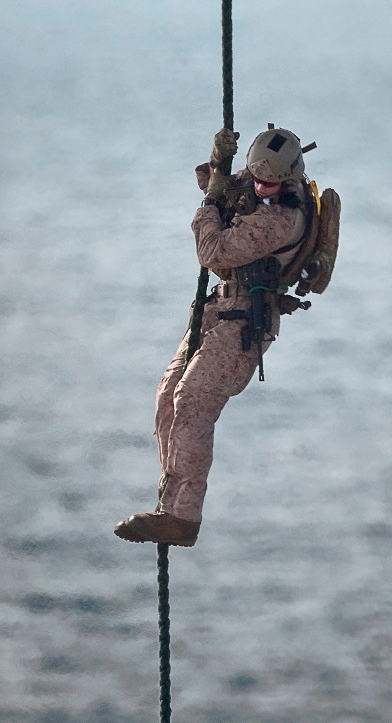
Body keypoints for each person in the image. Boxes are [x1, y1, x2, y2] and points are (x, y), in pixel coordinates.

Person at [114, 126, 309, 547]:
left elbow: (213, 251)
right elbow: (224, 187)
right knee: (169, 393)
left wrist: (207, 204)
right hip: (221, 308)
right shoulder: (263, 186)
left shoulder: (283, 216)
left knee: (194, 399)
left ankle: (183, 517)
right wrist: (219, 161)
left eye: (268, 181)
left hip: (245, 323)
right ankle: (170, 501)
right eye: (257, 177)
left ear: (289, 177)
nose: (260, 186)